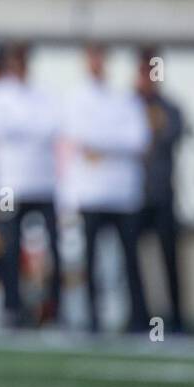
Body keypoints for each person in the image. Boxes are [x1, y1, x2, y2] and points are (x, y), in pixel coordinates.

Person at [0, 43, 61, 327]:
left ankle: (52, 308)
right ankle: (12, 307)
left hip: (43, 184)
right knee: (9, 248)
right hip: (9, 185)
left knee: (53, 247)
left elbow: (52, 135)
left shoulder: (44, 96)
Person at [65, 44, 151, 332]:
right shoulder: (77, 98)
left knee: (130, 261)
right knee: (90, 261)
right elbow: (82, 138)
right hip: (91, 194)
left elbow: (139, 140)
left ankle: (139, 319)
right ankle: (91, 319)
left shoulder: (124, 99)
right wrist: (113, 142)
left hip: (123, 196)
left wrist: (103, 144)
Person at [134, 47, 185, 332]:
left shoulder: (170, 108)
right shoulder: (128, 106)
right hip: (134, 196)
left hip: (163, 193)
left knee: (170, 259)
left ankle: (175, 318)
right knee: (134, 262)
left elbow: (172, 135)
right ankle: (139, 317)